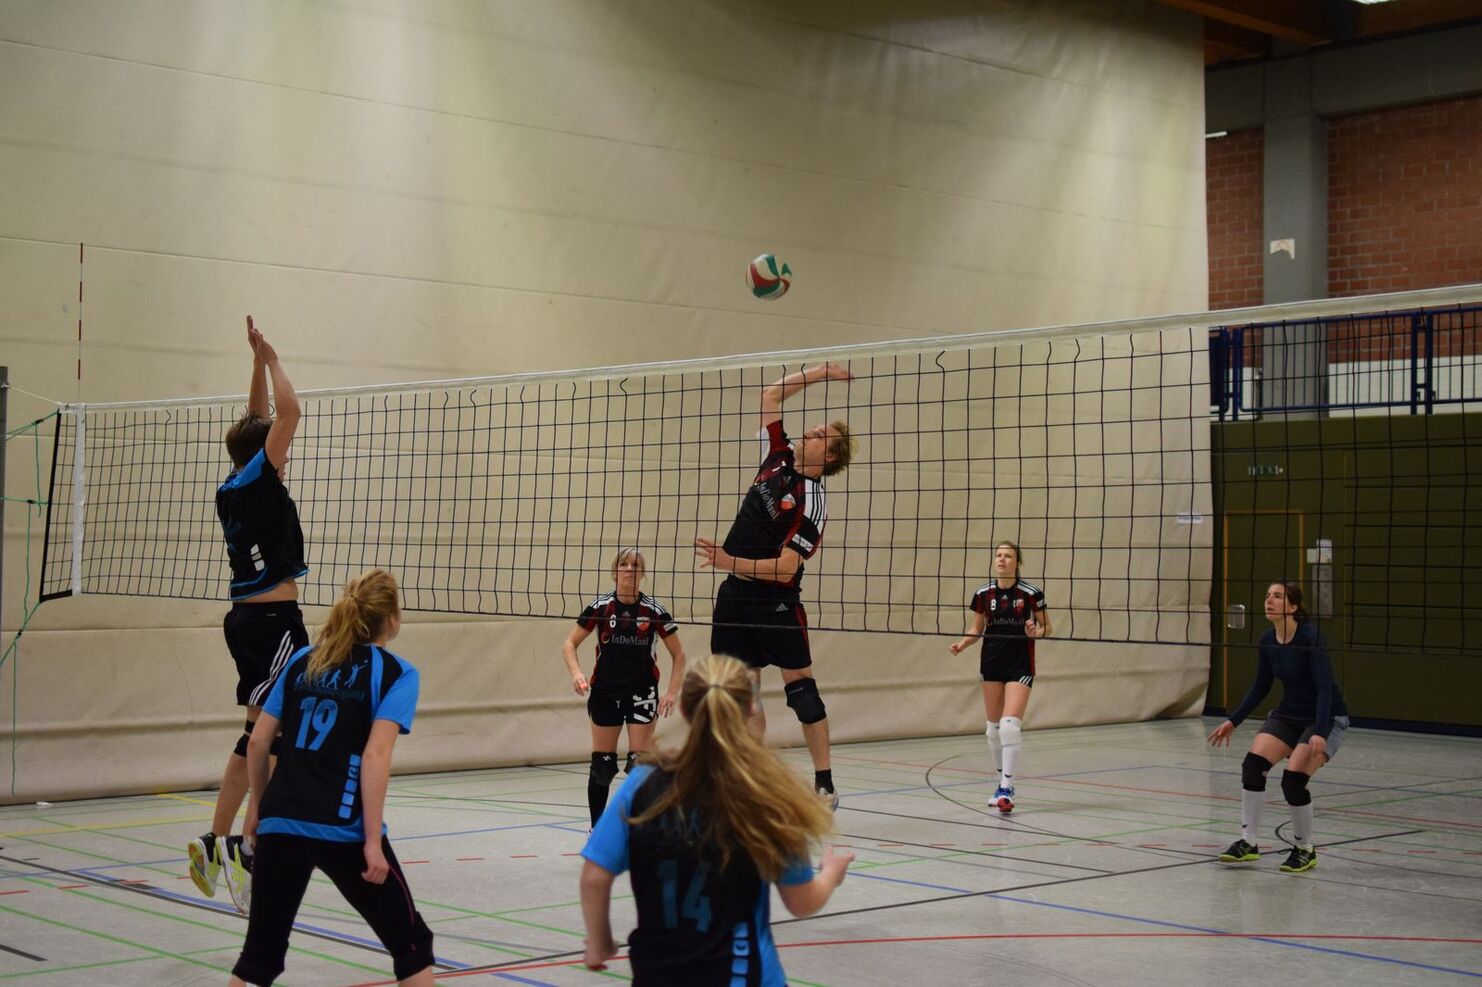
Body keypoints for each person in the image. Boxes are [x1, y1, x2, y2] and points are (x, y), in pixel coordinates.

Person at [579, 655, 855, 985]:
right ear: (752, 708)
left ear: (684, 709)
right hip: (745, 976)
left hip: (658, 975)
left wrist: (600, 943)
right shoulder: (765, 790)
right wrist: (829, 876)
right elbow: (800, 901)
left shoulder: (644, 783)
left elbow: (595, 876)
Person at [230, 569, 434, 986]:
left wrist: (256, 810)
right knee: (410, 944)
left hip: (280, 822)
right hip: (343, 830)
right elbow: (376, 755)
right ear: (392, 618)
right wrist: (372, 841)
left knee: (260, 958)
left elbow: (257, 742)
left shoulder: (303, 661)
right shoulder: (397, 673)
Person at [695, 363, 854, 809]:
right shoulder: (777, 455)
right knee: (740, 694)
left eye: (824, 436)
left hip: (776, 603)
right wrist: (821, 371)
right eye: (817, 428)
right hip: (734, 596)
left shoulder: (813, 503)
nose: (814, 430)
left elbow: (786, 570)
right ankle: (749, 776)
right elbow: (770, 395)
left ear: (830, 459)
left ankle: (824, 783)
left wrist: (729, 559)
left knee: (802, 694)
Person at [191, 316, 309, 914]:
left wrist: (257, 362)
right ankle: (249, 843)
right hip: (275, 626)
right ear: (264, 453)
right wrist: (278, 360)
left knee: (256, 733)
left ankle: (217, 839)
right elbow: (287, 415)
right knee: (275, 739)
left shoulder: (234, 481)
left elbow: (257, 421)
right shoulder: (260, 474)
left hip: (246, 622)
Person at [1208, 580, 1349, 874]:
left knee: (1293, 781)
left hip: (1324, 717)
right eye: (1267, 595)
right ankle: (1249, 842)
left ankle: (1304, 848)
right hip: (1288, 714)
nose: (1269, 601)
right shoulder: (1267, 640)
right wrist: (1233, 720)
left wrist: (1320, 731)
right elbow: (1260, 687)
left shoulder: (1312, 638)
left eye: (1278, 596)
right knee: (1252, 766)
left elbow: (1325, 688)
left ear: (1293, 607)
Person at [563, 547, 688, 827]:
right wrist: (576, 674)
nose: (629, 569)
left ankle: (640, 830)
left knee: (638, 766)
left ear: (642, 574)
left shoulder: (654, 610)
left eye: (635, 565)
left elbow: (679, 655)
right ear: (615, 570)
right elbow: (569, 644)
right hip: (605, 692)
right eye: (624, 564)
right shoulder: (600, 607)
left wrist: (671, 692)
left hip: (642, 692)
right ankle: (596, 830)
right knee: (602, 767)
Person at [949, 541, 1051, 813]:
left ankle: (1007, 787)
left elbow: (1046, 627)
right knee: (993, 731)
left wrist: (1035, 632)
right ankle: (1001, 783)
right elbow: (976, 629)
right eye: (998, 555)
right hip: (992, 663)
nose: (1002, 559)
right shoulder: (983, 593)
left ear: (1017, 562)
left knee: (1009, 727)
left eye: (1008, 556)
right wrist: (962, 644)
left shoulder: (1030, 593)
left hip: (1020, 665)